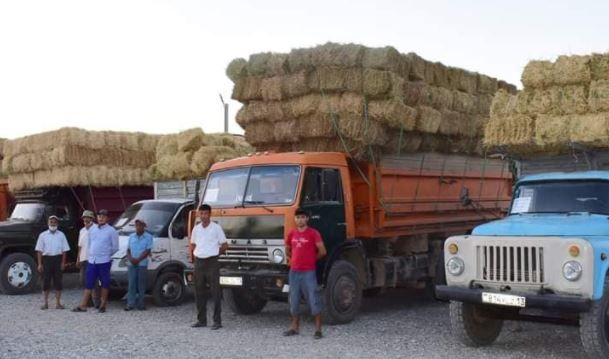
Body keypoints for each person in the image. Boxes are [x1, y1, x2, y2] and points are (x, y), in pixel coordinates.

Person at [283, 208, 327, 339]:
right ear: (295, 219)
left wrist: (312, 259)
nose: (300, 220)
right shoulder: (292, 234)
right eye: (298, 217)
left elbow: (323, 251)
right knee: (294, 299)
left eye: (302, 217)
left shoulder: (314, 233)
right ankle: (294, 327)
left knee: (313, 298)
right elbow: (287, 250)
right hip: (294, 271)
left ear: (307, 219)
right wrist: (293, 259)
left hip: (308, 272)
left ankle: (318, 330)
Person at [189, 204, 227, 330]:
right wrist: (197, 254)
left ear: (210, 214)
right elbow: (193, 244)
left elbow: (225, 245)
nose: (204, 216)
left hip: (212, 262)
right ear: (199, 214)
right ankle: (201, 320)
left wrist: (215, 254)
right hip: (199, 262)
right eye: (202, 213)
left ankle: (217, 321)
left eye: (206, 213)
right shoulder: (196, 229)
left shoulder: (216, 228)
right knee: (199, 292)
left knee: (215, 292)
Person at [72, 209, 119, 313]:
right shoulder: (92, 230)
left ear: (107, 218)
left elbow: (115, 247)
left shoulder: (111, 231)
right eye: (99, 216)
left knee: (104, 283)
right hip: (92, 260)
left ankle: (103, 304)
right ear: (97, 218)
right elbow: (89, 244)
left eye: (103, 216)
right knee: (88, 282)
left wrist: (105, 254)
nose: (101, 218)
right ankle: (83, 305)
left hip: (104, 261)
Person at [35, 215, 70, 310]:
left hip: (58, 260)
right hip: (47, 260)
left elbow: (64, 250)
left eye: (55, 222)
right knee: (45, 282)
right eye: (51, 222)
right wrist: (39, 264)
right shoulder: (42, 235)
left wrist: (63, 263)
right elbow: (39, 251)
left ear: (57, 223)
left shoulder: (61, 235)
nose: (53, 224)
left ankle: (58, 303)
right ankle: (45, 303)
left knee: (58, 282)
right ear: (48, 223)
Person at [125, 219, 153, 311]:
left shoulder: (148, 237)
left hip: (142, 263)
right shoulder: (131, 236)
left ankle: (141, 303)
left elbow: (148, 250)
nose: (138, 227)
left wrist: (138, 259)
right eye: (136, 225)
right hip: (131, 263)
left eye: (140, 225)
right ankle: (130, 303)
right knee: (131, 283)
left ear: (144, 226)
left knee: (141, 284)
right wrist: (131, 259)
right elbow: (128, 250)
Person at [76, 210, 100, 307]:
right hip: (83, 258)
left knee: (94, 281)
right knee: (83, 280)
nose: (85, 219)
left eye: (87, 217)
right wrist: (78, 258)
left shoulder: (97, 229)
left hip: (93, 258)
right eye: (84, 218)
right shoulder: (81, 231)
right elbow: (80, 246)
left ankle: (97, 302)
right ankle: (89, 301)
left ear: (92, 219)